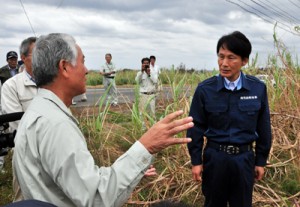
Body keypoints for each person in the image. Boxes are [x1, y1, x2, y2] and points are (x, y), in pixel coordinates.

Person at [13, 33, 194, 207]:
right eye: (82, 62)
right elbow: (97, 198)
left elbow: (72, 182)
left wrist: (133, 171)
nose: (87, 70)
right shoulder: (55, 125)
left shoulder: (38, 111)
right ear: (65, 67)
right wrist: (146, 146)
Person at [187, 31, 272, 207]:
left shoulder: (257, 89)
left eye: (231, 58)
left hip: (244, 160)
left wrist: (260, 161)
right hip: (215, 159)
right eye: (221, 57)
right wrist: (196, 161)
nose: (224, 63)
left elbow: (264, 128)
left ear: (244, 60)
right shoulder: (205, 90)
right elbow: (195, 128)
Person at [1, 37, 38, 200]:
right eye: (36, 54)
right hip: (26, 153)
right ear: (24, 57)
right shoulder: (11, 85)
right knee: (24, 198)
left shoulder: (53, 81)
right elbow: (18, 126)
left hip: (53, 154)